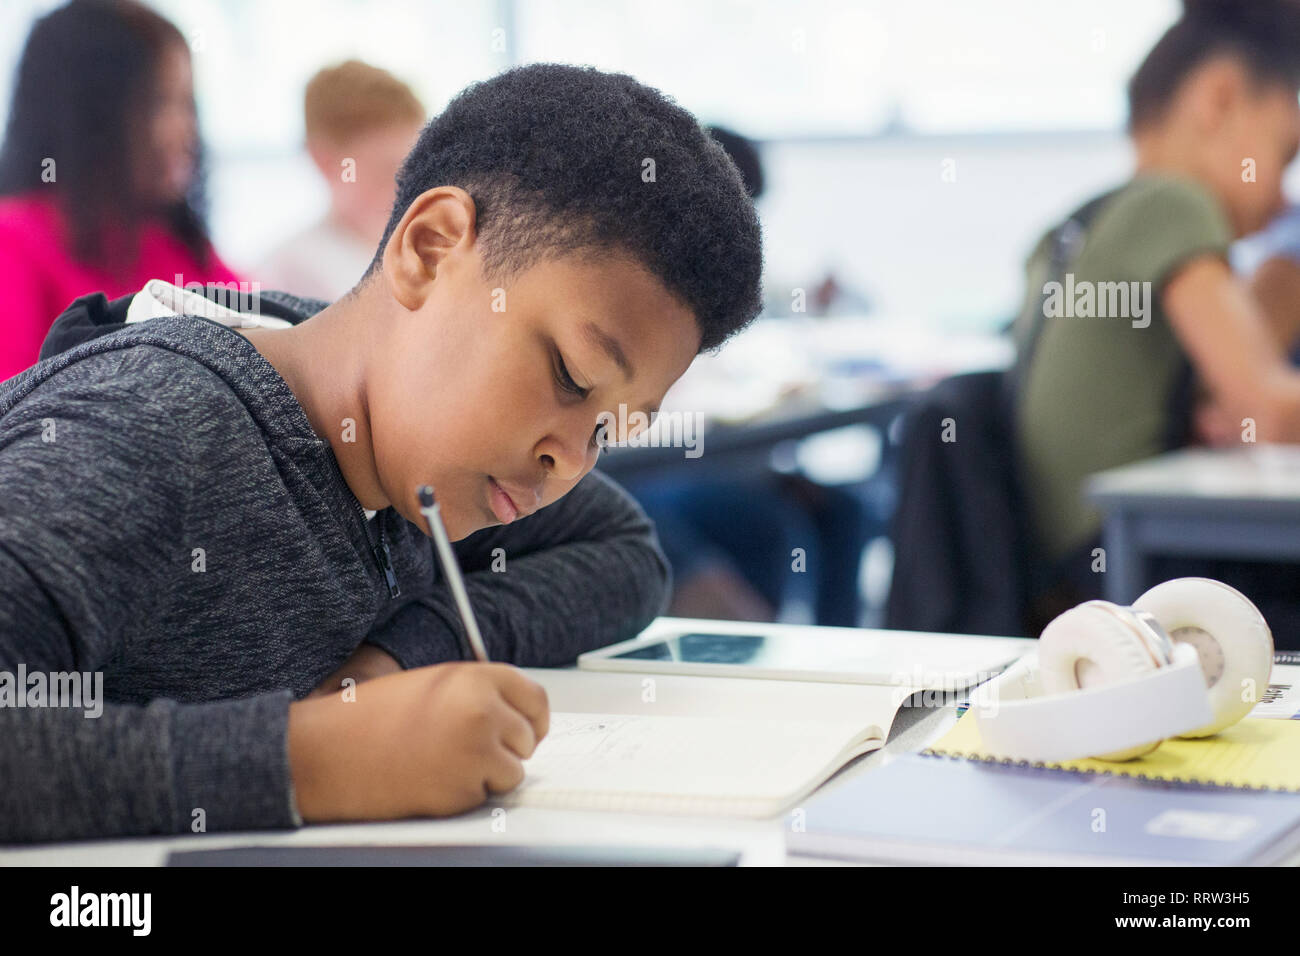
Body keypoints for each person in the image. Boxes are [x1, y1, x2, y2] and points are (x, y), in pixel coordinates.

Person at [0, 63, 763, 842]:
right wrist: (316, 762)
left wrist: (397, 656)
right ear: (429, 251)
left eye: (610, 431)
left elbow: (623, 551)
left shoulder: (404, 451)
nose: (570, 462)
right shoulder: (153, 432)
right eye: (571, 377)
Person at [1011, 0, 1300, 626]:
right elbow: (1270, 412)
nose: (1281, 200)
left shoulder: (1075, 226)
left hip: (1070, 572)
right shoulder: (1172, 205)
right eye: (1285, 153)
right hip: (1139, 577)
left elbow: (1227, 410)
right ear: (1219, 99)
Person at [0, 0, 240, 380]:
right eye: (160, 103)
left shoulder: (173, 242)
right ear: (94, 114)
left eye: (187, 105)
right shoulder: (14, 243)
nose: (186, 131)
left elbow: (271, 337)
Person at [256, 60, 425, 302]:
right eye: (384, 171)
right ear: (323, 162)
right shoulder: (290, 270)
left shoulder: (423, 251)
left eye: (414, 168)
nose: (406, 187)